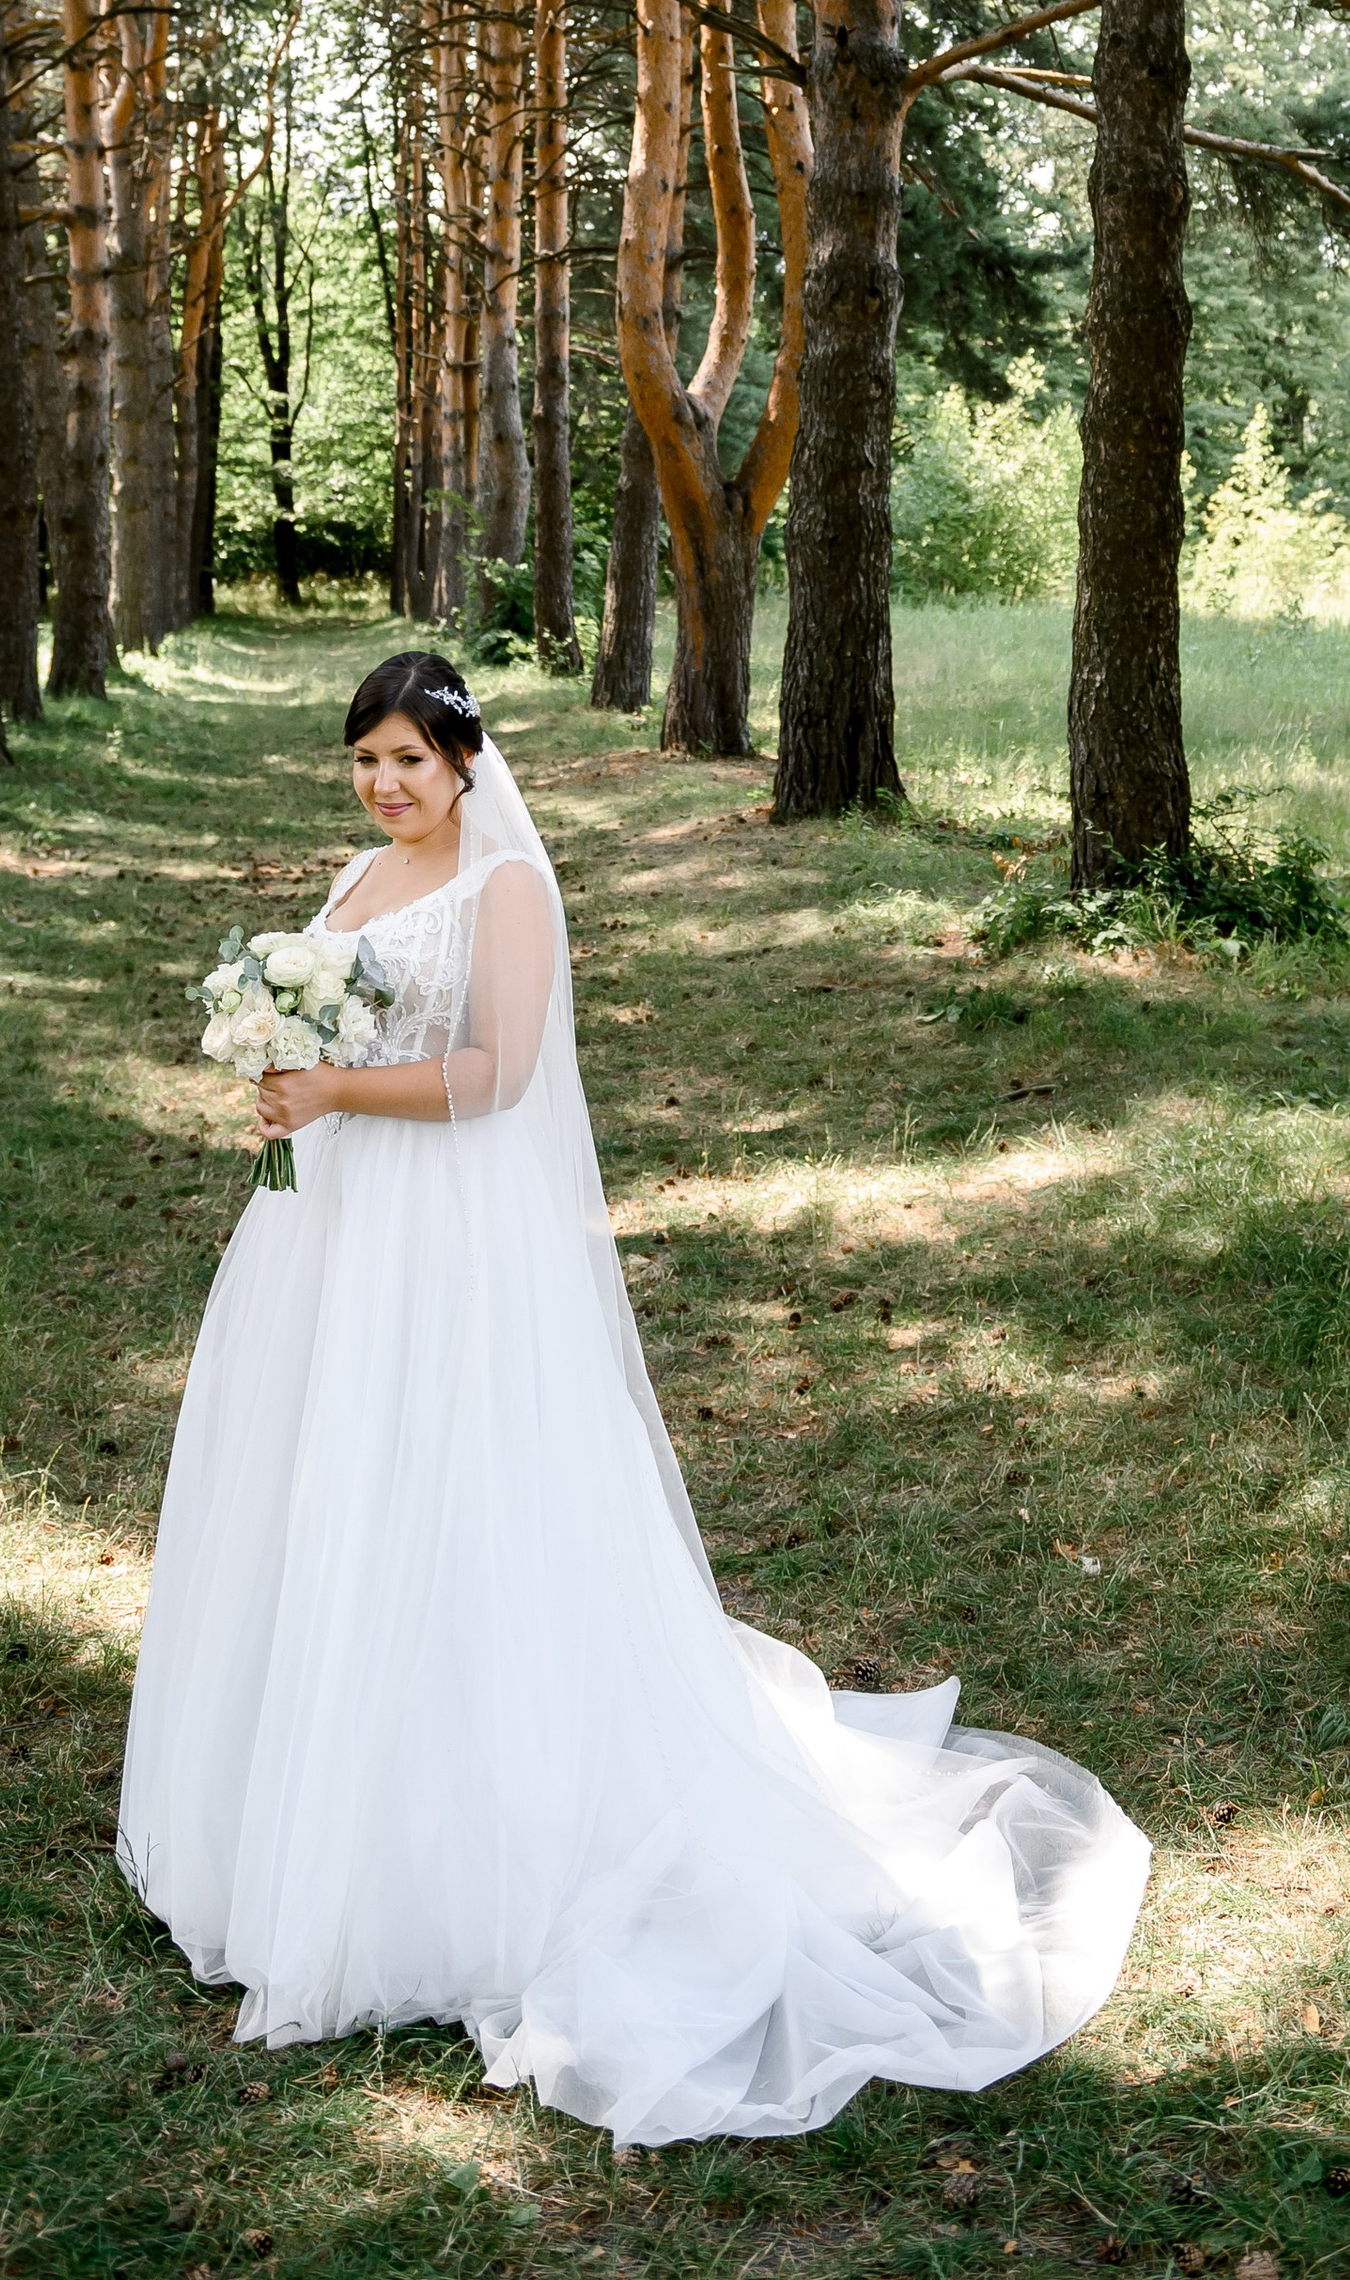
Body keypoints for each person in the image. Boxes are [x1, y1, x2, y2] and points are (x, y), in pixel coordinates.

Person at [118, 650, 1147, 2144]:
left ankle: (469, 1838)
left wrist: (338, 1092)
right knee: (326, 1487)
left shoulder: (508, 890)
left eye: (410, 760)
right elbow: (339, 1026)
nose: (386, 786)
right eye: (366, 761)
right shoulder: (355, 878)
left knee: (455, 1496)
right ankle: (297, 1805)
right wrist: (283, 1065)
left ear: (466, 762)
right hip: (334, 1234)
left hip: (450, 1244)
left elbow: (500, 1073)